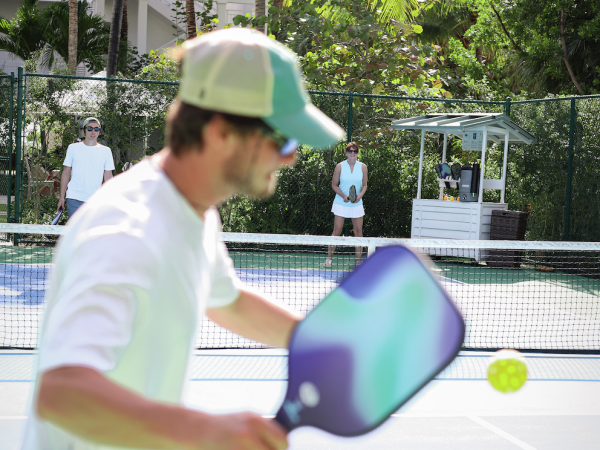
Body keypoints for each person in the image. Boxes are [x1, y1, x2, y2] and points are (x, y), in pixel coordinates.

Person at [22, 29, 343, 450]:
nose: (290, 156)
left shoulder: (192, 208)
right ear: (220, 132)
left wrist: (316, 340)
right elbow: (61, 394)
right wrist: (207, 432)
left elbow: (227, 301)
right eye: (282, 138)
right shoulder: (127, 229)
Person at [57, 117, 115, 218]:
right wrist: (61, 197)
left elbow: (108, 176)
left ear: (99, 132)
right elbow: (66, 173)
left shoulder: (106, 151)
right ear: (84, 131)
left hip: (96, 200)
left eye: (96, 129)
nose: (93, 131)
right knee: (75, 232)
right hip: (74, 198)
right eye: (90, 128)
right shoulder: (73, 148)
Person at [323, 142, 368, 267]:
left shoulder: (363, 167)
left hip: (357, 203)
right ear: (346, 153)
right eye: (350, 151)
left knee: (358, 231)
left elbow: (364, 185)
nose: (352, 153)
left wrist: (360, 196)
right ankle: (329, 259)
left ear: (357, 153)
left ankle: (358, 261)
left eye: (355, 151)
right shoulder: (339, 166)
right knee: (337, 230)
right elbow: (334, 185)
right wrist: (343, 196)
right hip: (341, 203)